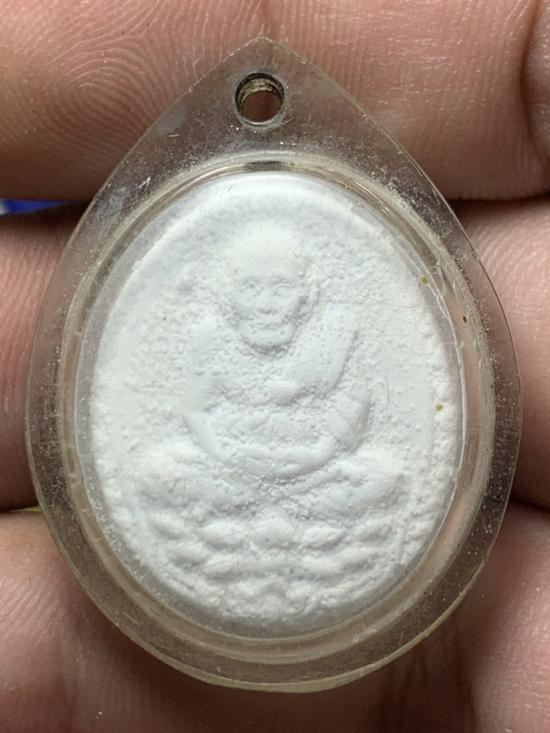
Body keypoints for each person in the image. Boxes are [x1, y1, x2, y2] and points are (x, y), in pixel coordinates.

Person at [1, 2, 550, 731]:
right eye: (252, 291)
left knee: (384, 479)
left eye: (281, 291)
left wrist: (317, 449)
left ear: (307, 293)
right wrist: (228, 451)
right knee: (160, 474)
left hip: (317, 465)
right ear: (228, 295)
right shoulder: (208, 340)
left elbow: (355, 413)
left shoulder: (333, 338)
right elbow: (193, 413)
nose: (267, 305)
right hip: (229, 462)